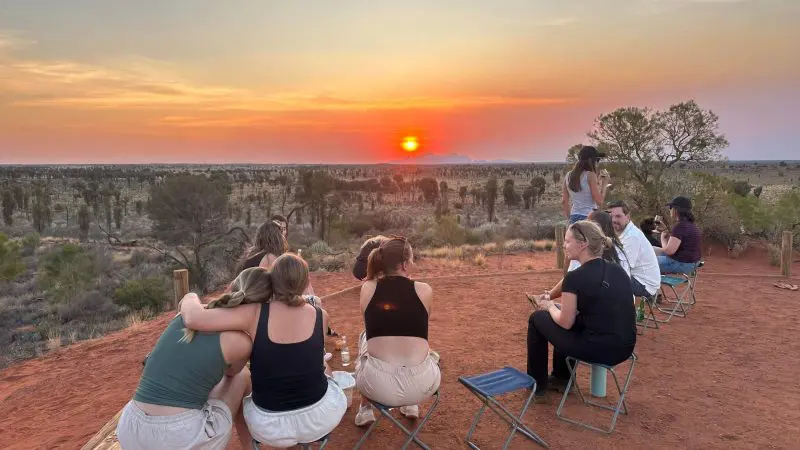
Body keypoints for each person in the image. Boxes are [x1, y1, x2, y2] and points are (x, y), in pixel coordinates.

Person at [180, 254, 347, 448]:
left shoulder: (255, 313)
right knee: (321, 363)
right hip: (320, 418)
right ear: (306, 282)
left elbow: (192, 318)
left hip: (270, 427)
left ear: (272, 281)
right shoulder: (320, 315)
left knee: (242, 378)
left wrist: (189, 297)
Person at [116, 269, 268, 450]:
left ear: (232, 287)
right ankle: (251, 447)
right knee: (242, 375)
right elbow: (231, 373)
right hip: (179, 437)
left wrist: (190, 297)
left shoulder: (185, 316)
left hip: (131, 427)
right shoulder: (240, 342)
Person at [527, 221, 636, 401]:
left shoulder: (574, 278)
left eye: (568, 241)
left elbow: (565, 322)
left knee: (538, 318)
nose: (564, 245)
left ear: (583, 244)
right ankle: (562, 379)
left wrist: (549, 306)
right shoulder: (617, 270)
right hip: (624, 348)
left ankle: (538, 386)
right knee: (570, 318)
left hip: (597, 350)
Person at [353, 237, 441, 426]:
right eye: (411, 259)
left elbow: (372, 324)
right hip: (421, 385)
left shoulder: (368, 288)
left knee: (365, 336)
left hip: (377, 386)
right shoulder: (424, 290)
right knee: (417, 337)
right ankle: (411, 405)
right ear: (404, 265)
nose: (413, 262)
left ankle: (365, 409)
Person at [531, 210, 628, 303]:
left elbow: (569, 279)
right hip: (621, 308)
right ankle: (546, 297)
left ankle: (545, 298)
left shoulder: (584, 250)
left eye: (587, 222)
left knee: (541, 315)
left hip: (595, 310)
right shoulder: (618, 248)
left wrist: (549, 304)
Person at [608, 200, 662, 299]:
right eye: (611, 216)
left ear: (627, 217)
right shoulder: (621, 232)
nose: (613, 220)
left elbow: (622, 268)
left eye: (618, 216)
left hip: (644, 284)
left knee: (605, 279)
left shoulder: (632, 237)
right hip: (637, 277)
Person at [562, 146, 611, 224]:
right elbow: (600, 201)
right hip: (588, 217)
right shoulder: (590, 175)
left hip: (573, 216)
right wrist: (604, 184)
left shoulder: (568, 175)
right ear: (591, 160)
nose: (597, 163)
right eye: (597, 160)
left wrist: (570, 218)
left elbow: (564, 201)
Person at [654, 196, 702, 274]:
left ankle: (643, 285)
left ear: (676, 210)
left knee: (644, 262)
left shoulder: (680, 226)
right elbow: (677, 244)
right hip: (691, 263)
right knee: (650, 249)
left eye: (670, 207)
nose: (670, 210)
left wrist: (663, 237)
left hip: (681, 264)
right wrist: (665, 230)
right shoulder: (691, 225)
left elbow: (669, 251)